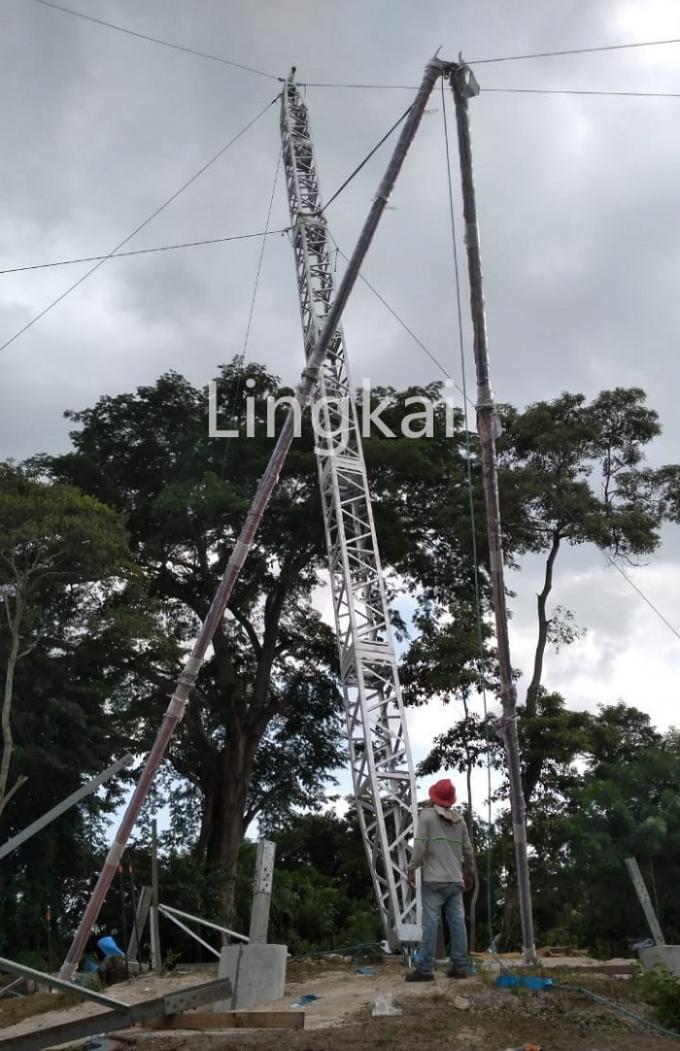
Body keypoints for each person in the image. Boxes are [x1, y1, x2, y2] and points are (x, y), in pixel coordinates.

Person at [405, 777, 474, 981]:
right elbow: (468, 852)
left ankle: (425, 970)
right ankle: (459, 967)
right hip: (455, 881)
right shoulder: (460, 821)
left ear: (433, 796)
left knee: (430, 924)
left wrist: (411, 869)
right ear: (451, 800)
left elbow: (419, 848)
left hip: (434, 881)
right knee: (458, 923)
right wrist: (469, 874)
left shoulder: (426, 816)